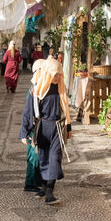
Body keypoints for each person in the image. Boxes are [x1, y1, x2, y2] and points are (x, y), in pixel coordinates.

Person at [20, 56, 72, 205]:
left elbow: (66, 109)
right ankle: (43, 188)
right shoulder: (36, 90)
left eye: (59, 74)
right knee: (43, 158)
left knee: (55, 158)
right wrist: (24, 132)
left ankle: (49, 193)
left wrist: (68, 127)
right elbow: (28, 112)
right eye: (54, 74)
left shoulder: (60, 88)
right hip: (42, 128)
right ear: (48, 73)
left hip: (57, 128)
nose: (57, 77)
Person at [22, 59, 46, 193]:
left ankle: (37, 181)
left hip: (41, 127)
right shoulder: (33, 90)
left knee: (39, 154)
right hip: (34, 129)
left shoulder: (42, 89)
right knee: (33, 155)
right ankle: (30, 183)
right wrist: (24, 133)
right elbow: (27, 113)